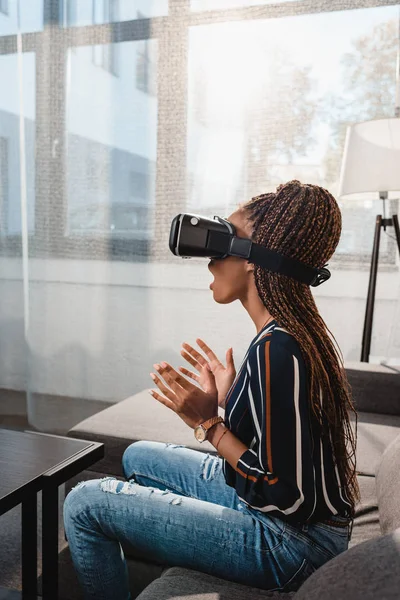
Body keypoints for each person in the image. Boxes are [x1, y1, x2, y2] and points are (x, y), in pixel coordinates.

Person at [63, 180, 360, 600]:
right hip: (289, 523)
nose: (209, 263)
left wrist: (207, 422)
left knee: (85, 503)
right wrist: (233, 395)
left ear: (256, 259)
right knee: (137, 455)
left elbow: (285, 494)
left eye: (224, 241)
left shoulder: (279, 349)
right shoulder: (280, 337)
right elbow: (285, 437)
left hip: (293, 545)